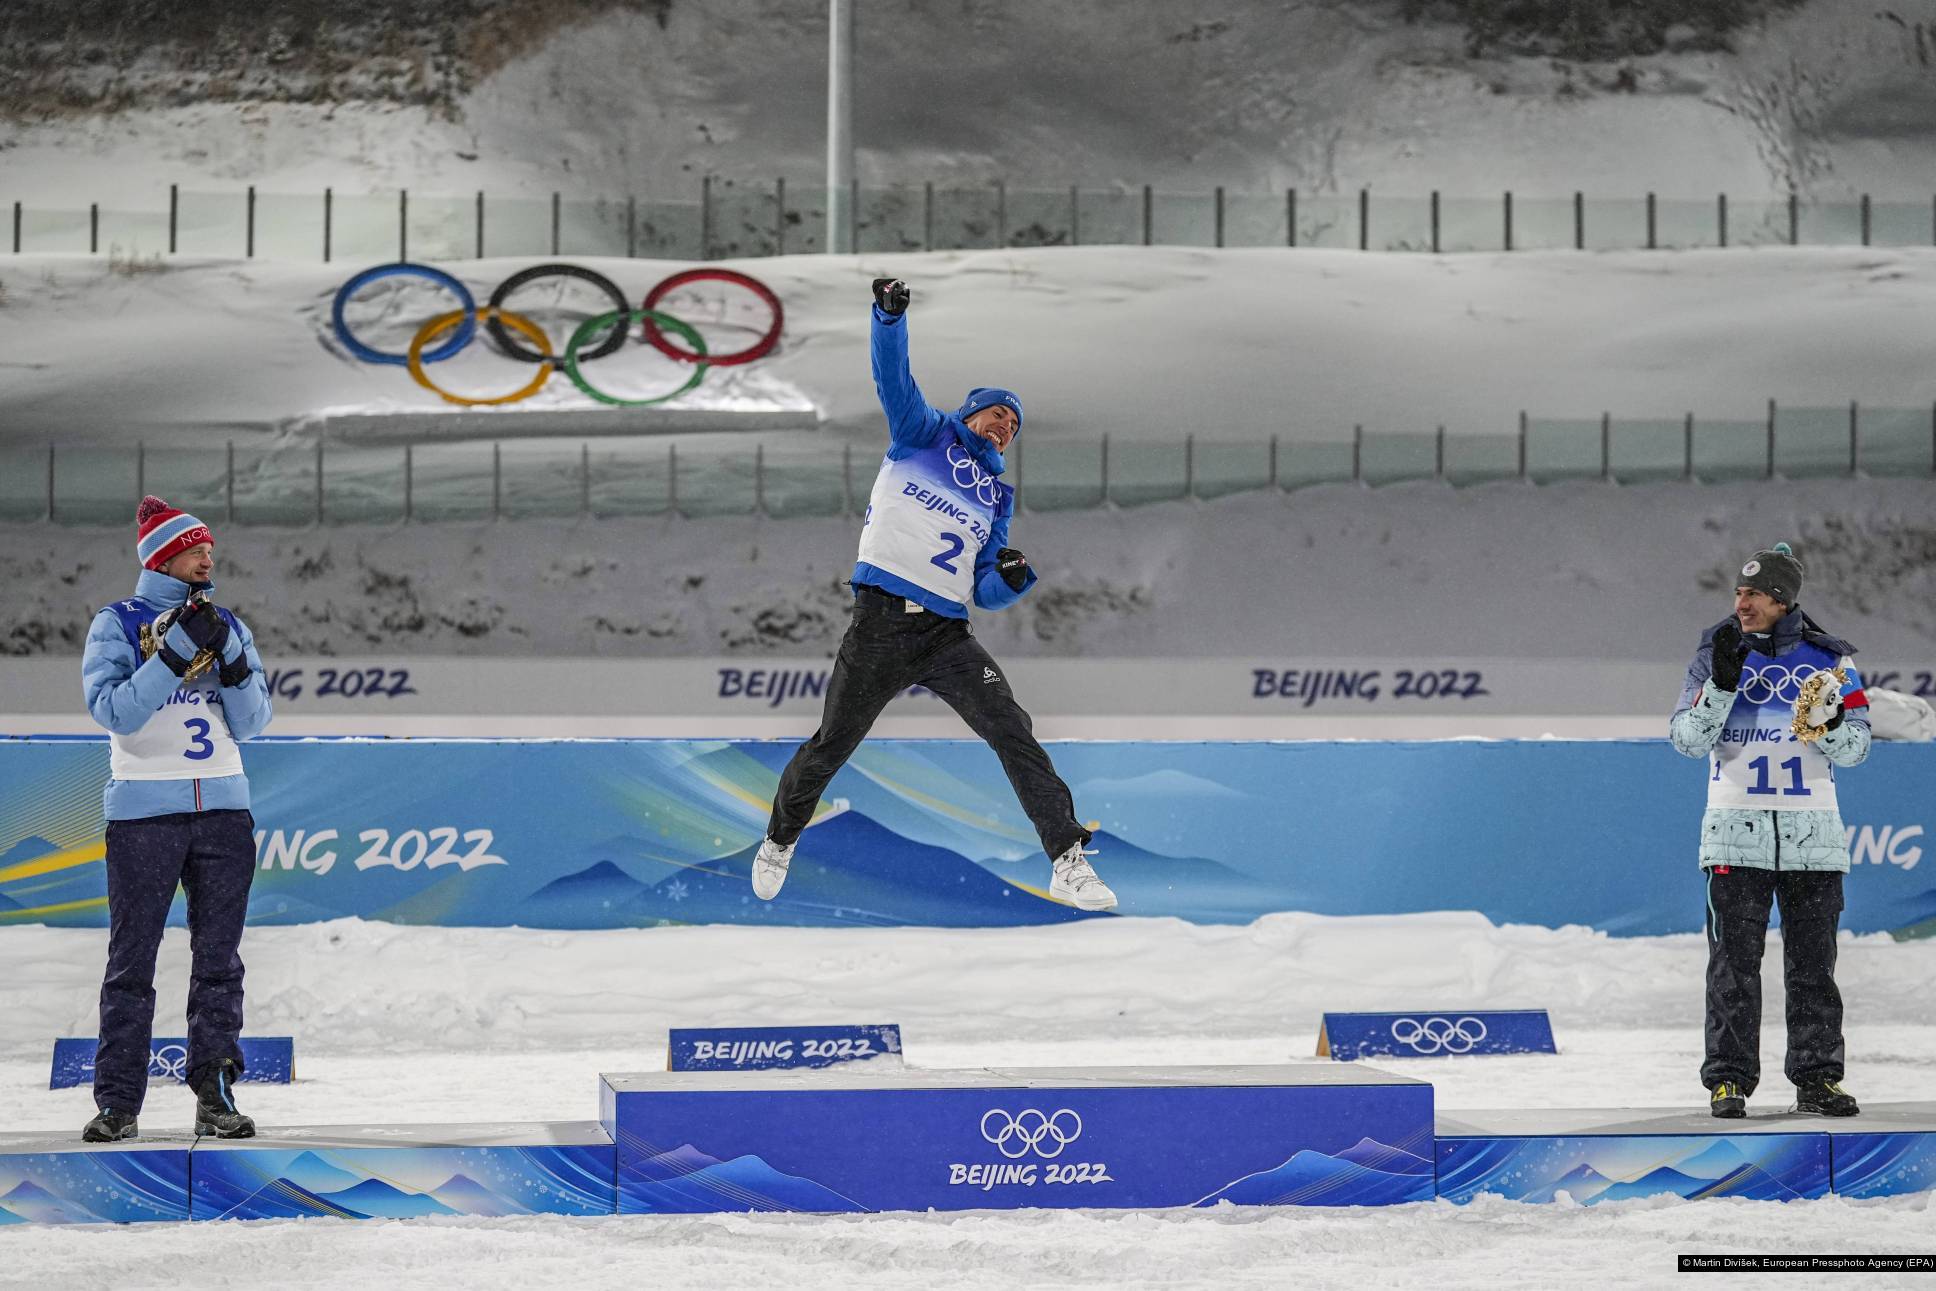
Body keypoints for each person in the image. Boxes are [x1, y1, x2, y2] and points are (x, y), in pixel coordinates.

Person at [751, 277, 1116, 911]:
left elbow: (983, 590)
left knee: (1013, 731)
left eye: (1015, 426)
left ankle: (1066, 859)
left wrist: (1013, 576)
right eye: (999, 413)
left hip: (945, 634)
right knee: (831, 745)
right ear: (972, 411)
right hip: (881, 625)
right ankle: (780, 839)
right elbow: (893, 377)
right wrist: (888, 317)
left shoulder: (998, 496)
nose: (1006, 427)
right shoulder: (924, 434)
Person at [79, 496, 273, 1141]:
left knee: (220, 961)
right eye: (194, 550)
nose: (207, 558)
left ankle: (215, 1092)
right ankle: (118, 1104)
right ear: (164, 557)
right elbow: (114, 713)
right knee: (131, 962)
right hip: (143, 816)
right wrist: (172, 656)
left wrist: (236, 664)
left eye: (209, 550)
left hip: (223, 810)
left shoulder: (227, 622)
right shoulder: (116, 622)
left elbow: (252, 723)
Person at [1669, 542, 1868, 1119]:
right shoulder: (1713, 653)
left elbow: (1856, 747)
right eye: (1738, 591)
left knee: (1814, 970)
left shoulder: (1835, 661)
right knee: (1733, 967)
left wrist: (1827, 725)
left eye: (1753, 593)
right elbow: (1685, 738)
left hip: (1815, 842)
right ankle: (1728, 1081)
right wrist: (1722, 690)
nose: (1741, 602)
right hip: (1735, 838)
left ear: (1782, 600)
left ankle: (1817, 1080)